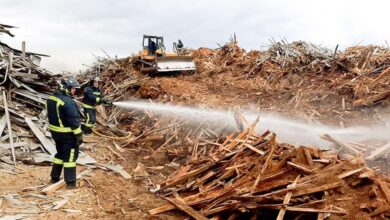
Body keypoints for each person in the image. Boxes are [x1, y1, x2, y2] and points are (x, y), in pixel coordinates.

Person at [47, 76, 83, 189]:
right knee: (70, 158)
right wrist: (78, 135)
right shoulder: (67, 102)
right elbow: (73, 121)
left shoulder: (51, 98)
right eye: (73, 89)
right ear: (66, 88)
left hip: (56, 133)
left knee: (60, 154)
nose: (74, 91)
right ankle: (71, 182)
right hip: (68, 135)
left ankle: (54, 177)